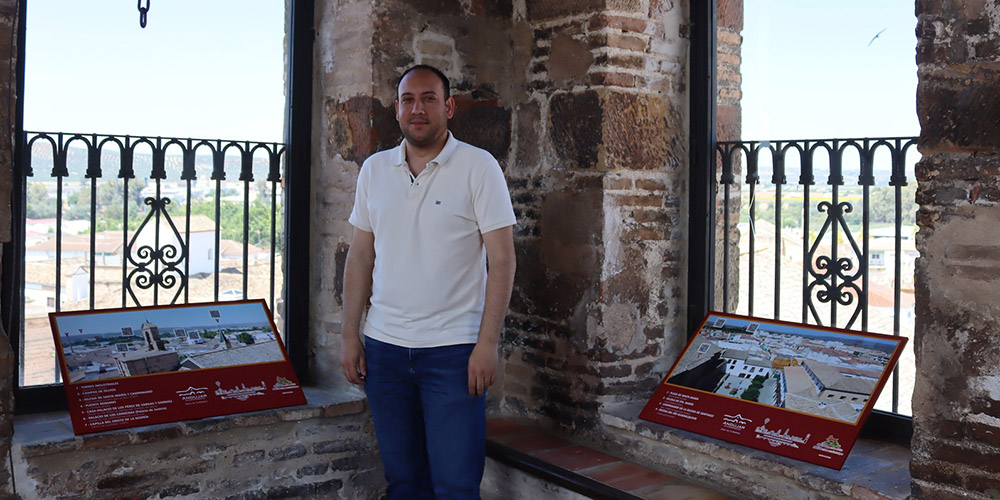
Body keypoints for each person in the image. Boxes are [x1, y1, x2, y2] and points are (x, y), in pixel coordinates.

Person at [340, 64, 517, 500]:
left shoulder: (480, 167)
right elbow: (360, 257)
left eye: (429, 99)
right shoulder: (374, 171)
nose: (417, 109)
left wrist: (487, 344)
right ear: (397, 109)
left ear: (449, 106)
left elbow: (503, 259)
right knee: (404, 484)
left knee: (456, 486)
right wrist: (350, 336)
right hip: (384, 352)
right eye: (408, 100)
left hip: (454, 354)